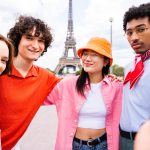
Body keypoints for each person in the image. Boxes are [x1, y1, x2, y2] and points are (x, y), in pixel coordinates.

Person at [44, 37, 123, 150]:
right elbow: (39, 98)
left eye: (94, 54)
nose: (87, 58)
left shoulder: (116, 87)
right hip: (75, 145)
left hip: (104, 145)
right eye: (85, 54)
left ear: (105, 61)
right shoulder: (67, 84)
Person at [0, 15, 60, 150]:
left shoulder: (46, 77)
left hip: (13, 145)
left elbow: (76, 87)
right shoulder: (1, 70)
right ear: (17, 40)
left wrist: (107, 77)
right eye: (29, 38)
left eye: (41, 40)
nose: (35, 45)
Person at [119, 2, 150, 150]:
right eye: (129, 32)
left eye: (141, 29)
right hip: (123, 139)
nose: (134, 37)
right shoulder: (128, 67)